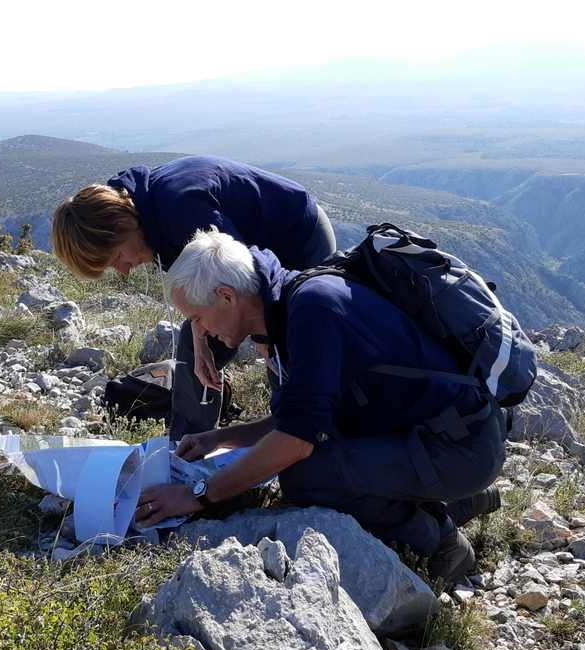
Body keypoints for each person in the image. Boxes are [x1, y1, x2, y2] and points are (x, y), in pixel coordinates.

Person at [134, 229, 505, 585]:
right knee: (313, 463)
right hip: (438, 435)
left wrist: (197, 494)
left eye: (197, 317)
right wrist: (220, 438)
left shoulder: (312, 309)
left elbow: (296, 441)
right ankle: (458, 499)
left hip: (458, 446)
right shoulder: (282, 309)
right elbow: (296, 418)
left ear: (227, 296)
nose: (199, 331)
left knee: (307, 477)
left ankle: (440, 541)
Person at [50, 155, 336, 440]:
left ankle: (298, 440)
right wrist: (201, 346)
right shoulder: (146, 218)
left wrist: (265, 340)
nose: (123, 271)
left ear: (122, 224)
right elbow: (201, 295)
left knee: (287, 344)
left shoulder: (181, 210)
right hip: (253, 259)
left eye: (117, 258)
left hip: (299, 236)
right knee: (193, 341)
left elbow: (250, 277)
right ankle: (189, 448)